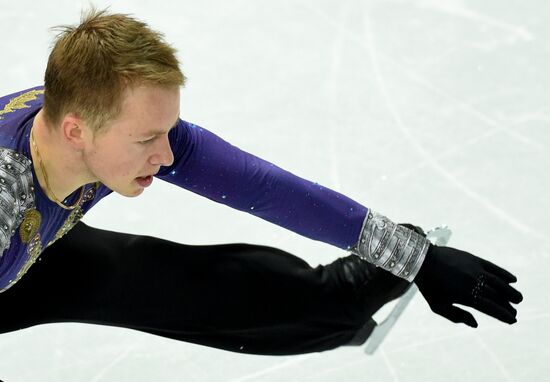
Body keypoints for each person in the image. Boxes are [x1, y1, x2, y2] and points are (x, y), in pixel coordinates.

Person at [0, 8, 522, 356]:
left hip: (39, 241)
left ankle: (335, 296)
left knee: (148, 277)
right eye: (146, 139)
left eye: (167, 131)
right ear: (76, 132)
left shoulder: (82, 120)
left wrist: (415, 257)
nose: (166, 153)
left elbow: (264, 189)